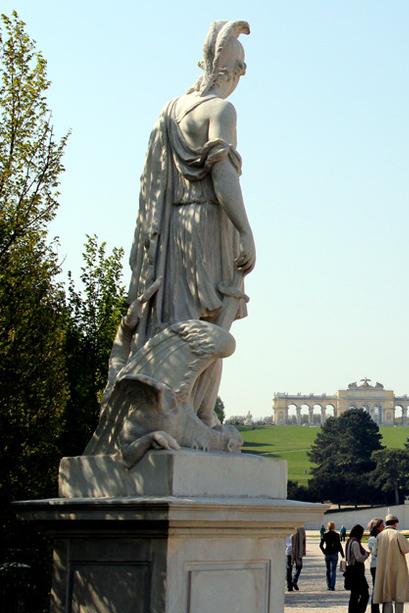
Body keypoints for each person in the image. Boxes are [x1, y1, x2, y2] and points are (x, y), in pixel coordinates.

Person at [119, 21, 256, 429]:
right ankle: (194, 414)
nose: (242, 76)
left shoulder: (170, 110)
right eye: (242, 67)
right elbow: (223, 176)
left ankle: (183, 412)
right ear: (228, 70)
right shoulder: (222, 110)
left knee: (174, 322)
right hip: (209, 224)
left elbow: (150, 180)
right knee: (213, 323)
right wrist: (245, 229)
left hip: (172, 227)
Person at [374, 514, 409, 613]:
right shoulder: (397, 534)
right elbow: (406, 549)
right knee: (399, 591)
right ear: (395, 523)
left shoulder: (379, 536)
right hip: (398, 567)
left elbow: (375, 552)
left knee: (387, 592)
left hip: (383, 567)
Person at [344, 525, 370, 613]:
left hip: (352, 571)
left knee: (354, 596)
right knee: (364, 595)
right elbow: (359, 558)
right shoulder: (355, 543)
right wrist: (366, 555)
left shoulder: (350, 541)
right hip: (357, 572)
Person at [367, 518, 384, 613]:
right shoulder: (373, 538)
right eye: (382, 526)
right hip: (376, 566)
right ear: (377, 527)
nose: (383, 527)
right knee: (376, 590)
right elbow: (375, 552)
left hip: (379, 565)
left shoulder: (377, 537)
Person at [319, 521, 343, 591]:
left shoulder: (325, 535)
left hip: (327, 554)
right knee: (333, 570)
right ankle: (332, 586)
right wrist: (342, 554)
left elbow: (320, 545)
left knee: (328, 570)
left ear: (328, 527)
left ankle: (329, 585)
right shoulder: (336, 535)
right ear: (334, 527)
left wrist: (324, 552)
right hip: (334, 554)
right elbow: (339, 545)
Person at [288, 526, 305, 591]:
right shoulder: (301, 528)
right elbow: (303, 540)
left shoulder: (290, 527)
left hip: (290, 551)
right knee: (299, 566)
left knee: (289, 569)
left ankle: (290, 585)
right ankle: (294, 581)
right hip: (297, 551)